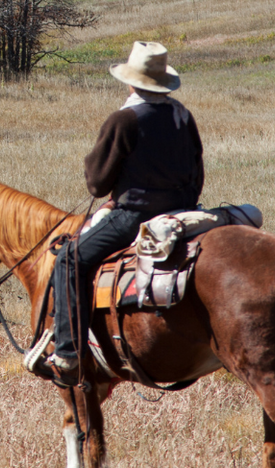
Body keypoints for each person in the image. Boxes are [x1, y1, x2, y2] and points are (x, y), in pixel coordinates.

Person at [39, 41, 205, 380]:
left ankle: (69, 352)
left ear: (131, 81)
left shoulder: (124, 119)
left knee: (69, 259)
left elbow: (97, 184)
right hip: (182, 212)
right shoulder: (182, 114)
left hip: (134, 218)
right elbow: (197, 170)